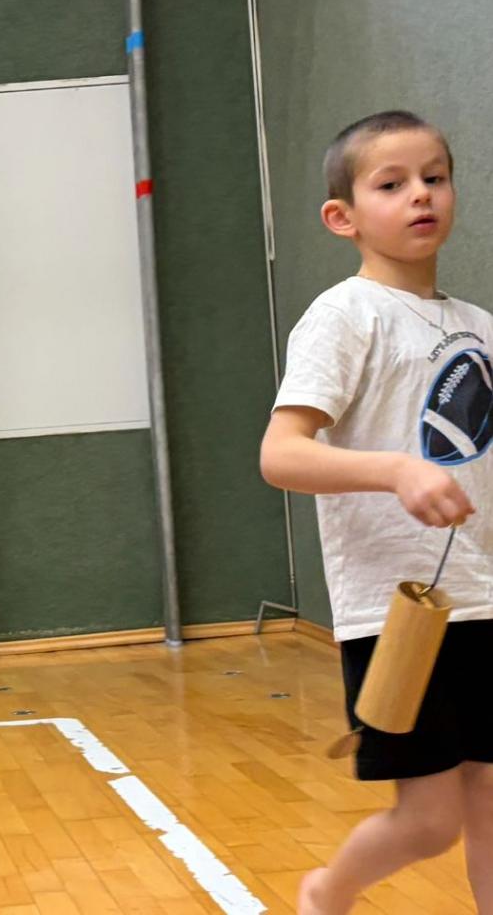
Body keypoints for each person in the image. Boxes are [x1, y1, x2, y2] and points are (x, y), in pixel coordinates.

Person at [260, 111, 493, 914]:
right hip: (398, 617)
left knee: (489, 800)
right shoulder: (343, 316)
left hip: (484, 600)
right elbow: (281, 455)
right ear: (342, 216)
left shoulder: (478, 327)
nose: (419, 195)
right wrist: (395, 471)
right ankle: (327, 893)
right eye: (391, 184)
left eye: (434, 177)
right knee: (428, 824)